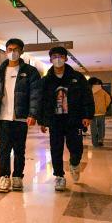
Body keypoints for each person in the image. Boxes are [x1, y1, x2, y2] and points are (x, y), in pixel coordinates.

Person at [0, 38, 41, 193]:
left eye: (16, 49)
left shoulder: (30, 72)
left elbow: (35, 95)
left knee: (19, 150)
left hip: (21, 118)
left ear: (21, 51)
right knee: (4, 150)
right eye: (10, 49)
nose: (12, 52)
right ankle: (4, 177)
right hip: (3, 117)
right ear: (6, 51)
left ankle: (17, 177)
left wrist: (33, 114)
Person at [37, 46, 94, 191]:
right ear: (50, 59)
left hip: (73, 119)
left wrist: (87, 115)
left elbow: (87, 97)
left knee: (76, 147)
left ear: (66, 58)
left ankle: (74, 164)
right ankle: (59, 176)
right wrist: (42, 121)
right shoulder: (46, 80)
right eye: (54, 56)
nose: (57, 59)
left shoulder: (77, 77)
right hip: (55, 120)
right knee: (56, 149)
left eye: (60, 56)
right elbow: (41, 101)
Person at [89, 78, 112, 147]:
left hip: (92, 112)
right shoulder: (103, 91)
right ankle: (100, 139)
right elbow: (108, 99)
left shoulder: (89, 91)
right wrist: (104, 106)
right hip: (101, 112)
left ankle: (94, 142)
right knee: (101, 127)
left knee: (93, 128)